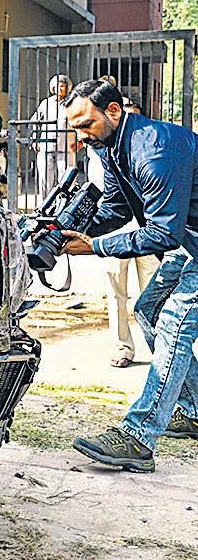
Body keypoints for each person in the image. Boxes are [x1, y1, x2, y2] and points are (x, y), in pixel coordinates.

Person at [59, 79, 198, 473]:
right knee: (149, 310)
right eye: (75, 128)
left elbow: (163, 232)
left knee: (174, 323)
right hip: (190, 240)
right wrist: (69, 233)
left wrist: (97, 247)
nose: (81, 136)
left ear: (114, 111)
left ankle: (139, 437)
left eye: (86, 125)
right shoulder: (111, 147)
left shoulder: (154, 150)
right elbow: (117, 209)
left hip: (185, 238)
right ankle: (193, 410)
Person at [85, 96, 161, 368]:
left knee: (151, 290)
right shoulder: (99, 147)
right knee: (116, 290)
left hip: (148, 230)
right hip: (113, 226)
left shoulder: (149, 151)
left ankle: (160, 348)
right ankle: (122, 347)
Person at [29, 73, 73, 196]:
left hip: (65, 147)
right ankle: (45, 208)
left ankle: (63, 208)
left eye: (63, 86)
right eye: (58, 86)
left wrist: (78, 141)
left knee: (66, 180)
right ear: (53, 88)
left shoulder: (71, 103)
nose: (60, 88)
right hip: (46, 146)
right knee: (45, 179)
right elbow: (34, 121)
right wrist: (34, 140)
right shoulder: (46, 103)